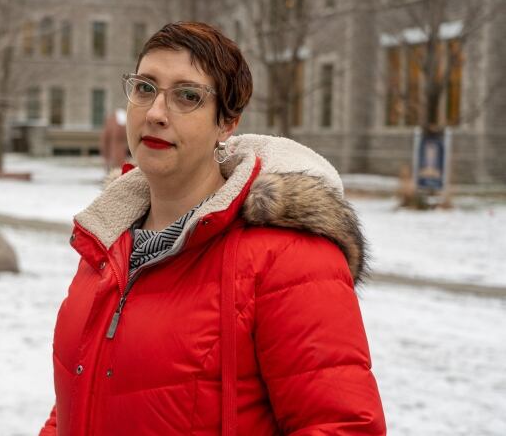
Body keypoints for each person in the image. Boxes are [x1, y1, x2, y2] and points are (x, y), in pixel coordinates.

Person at [40, 22, 386, 435]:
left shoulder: (287, 256)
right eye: (145, 88)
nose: (155, 113)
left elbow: (342, 425)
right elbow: (78, 397)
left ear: (228, 123)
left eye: (187, 96)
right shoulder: (109, 240)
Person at [99, 108, 130, 173]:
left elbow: (104, 142)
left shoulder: (112, 122)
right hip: (115, 153)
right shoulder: (115, 122)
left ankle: (114, 170)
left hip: (115, 153)